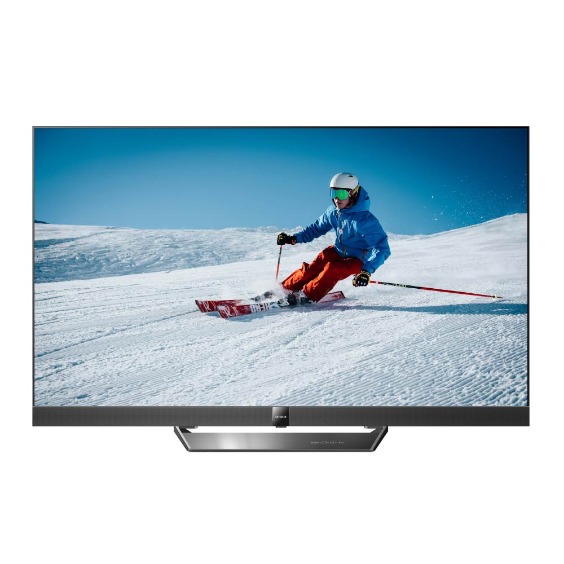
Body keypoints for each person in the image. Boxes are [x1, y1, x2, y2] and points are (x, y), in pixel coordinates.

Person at [277, 172, 390, 305]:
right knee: (312, 269)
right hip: (338, 250)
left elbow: (382, 248)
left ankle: (307, 295)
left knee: (333, 269)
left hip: (358, 259)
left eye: (341, 194)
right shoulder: (333, 212)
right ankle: (284, 289)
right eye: (333, 193)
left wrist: (366, 271)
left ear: (352, 193)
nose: (336, 198)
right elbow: (315, 229)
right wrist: (293, 238)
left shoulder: (365, 220)